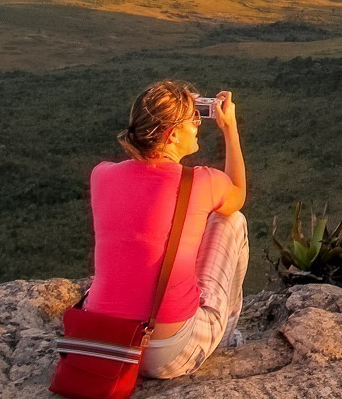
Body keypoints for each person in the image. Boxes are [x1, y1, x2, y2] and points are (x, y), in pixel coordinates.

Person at [85, 79, 249, 378]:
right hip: (166, 353)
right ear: (172, 134)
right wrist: (230, 129)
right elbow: (237, 194)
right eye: (193, 118)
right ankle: (225, 338)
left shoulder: (102, 175)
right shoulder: (201, 181)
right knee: (231, 220)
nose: (198, 124)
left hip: (107, 343)